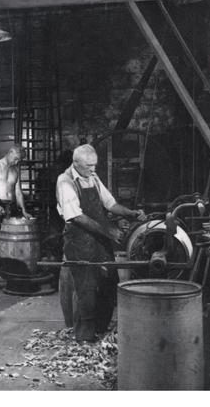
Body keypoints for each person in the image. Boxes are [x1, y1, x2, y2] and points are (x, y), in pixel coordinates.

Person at [56, 143, 146, 342]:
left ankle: (101, 331)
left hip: (100, 242)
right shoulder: (65, 182)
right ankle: (84, 338)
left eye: (95, 165)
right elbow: (77, 217)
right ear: (76, 163)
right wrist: (109, 231)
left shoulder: (93, 178)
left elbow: (110, 204)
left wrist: (131, 214)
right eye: (89, 166)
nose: (94, 169)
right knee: (86, 290)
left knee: (108, 285)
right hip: (79, 243)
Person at [0, 145, 32, 289]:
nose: (17, 162)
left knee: (7, 242)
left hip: (9, 207)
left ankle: (4, 275)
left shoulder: (14, 170)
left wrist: (23, 210)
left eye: (20, 160)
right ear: (10, 152)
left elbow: (18, 192)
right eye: (16, 158)